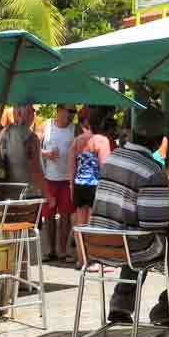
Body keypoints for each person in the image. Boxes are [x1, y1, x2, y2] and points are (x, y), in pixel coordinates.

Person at [89, 107, 169, 325]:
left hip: (101, 242)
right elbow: (153, 226)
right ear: (158, 141)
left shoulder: (113, 158)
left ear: (133, 134)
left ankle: (121, 304)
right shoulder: (152, 171)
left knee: (137, 238)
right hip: (130, 244)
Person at [69, 106, 113, 270]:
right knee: (97, 224)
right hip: (96, 185)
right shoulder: (102, 141)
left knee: (80, 224)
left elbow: (71, 167)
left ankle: (82, 260)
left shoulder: (77, 141)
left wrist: (72, 187)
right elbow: (104, 167)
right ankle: (97, 260)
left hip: (80, 185)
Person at [40, 104, 77, 262]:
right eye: (69, 111)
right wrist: (46, 153)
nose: (71, 115)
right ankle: (50, 250)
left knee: (66, 216)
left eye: (73, 112)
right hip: (49, 178)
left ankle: (62, 250)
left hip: (67, 179)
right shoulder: (46, 126)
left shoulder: (75, 129)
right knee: (48, 216)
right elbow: (34, 147)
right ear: (59, 110)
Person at [0, 104, 53, 208]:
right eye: (31, 111)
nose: (33, 114)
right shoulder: (30, 138)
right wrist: (48, 195)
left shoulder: (2, 133)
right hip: (28, 196)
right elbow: (35, 170)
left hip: (6, 195)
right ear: (20, 113)